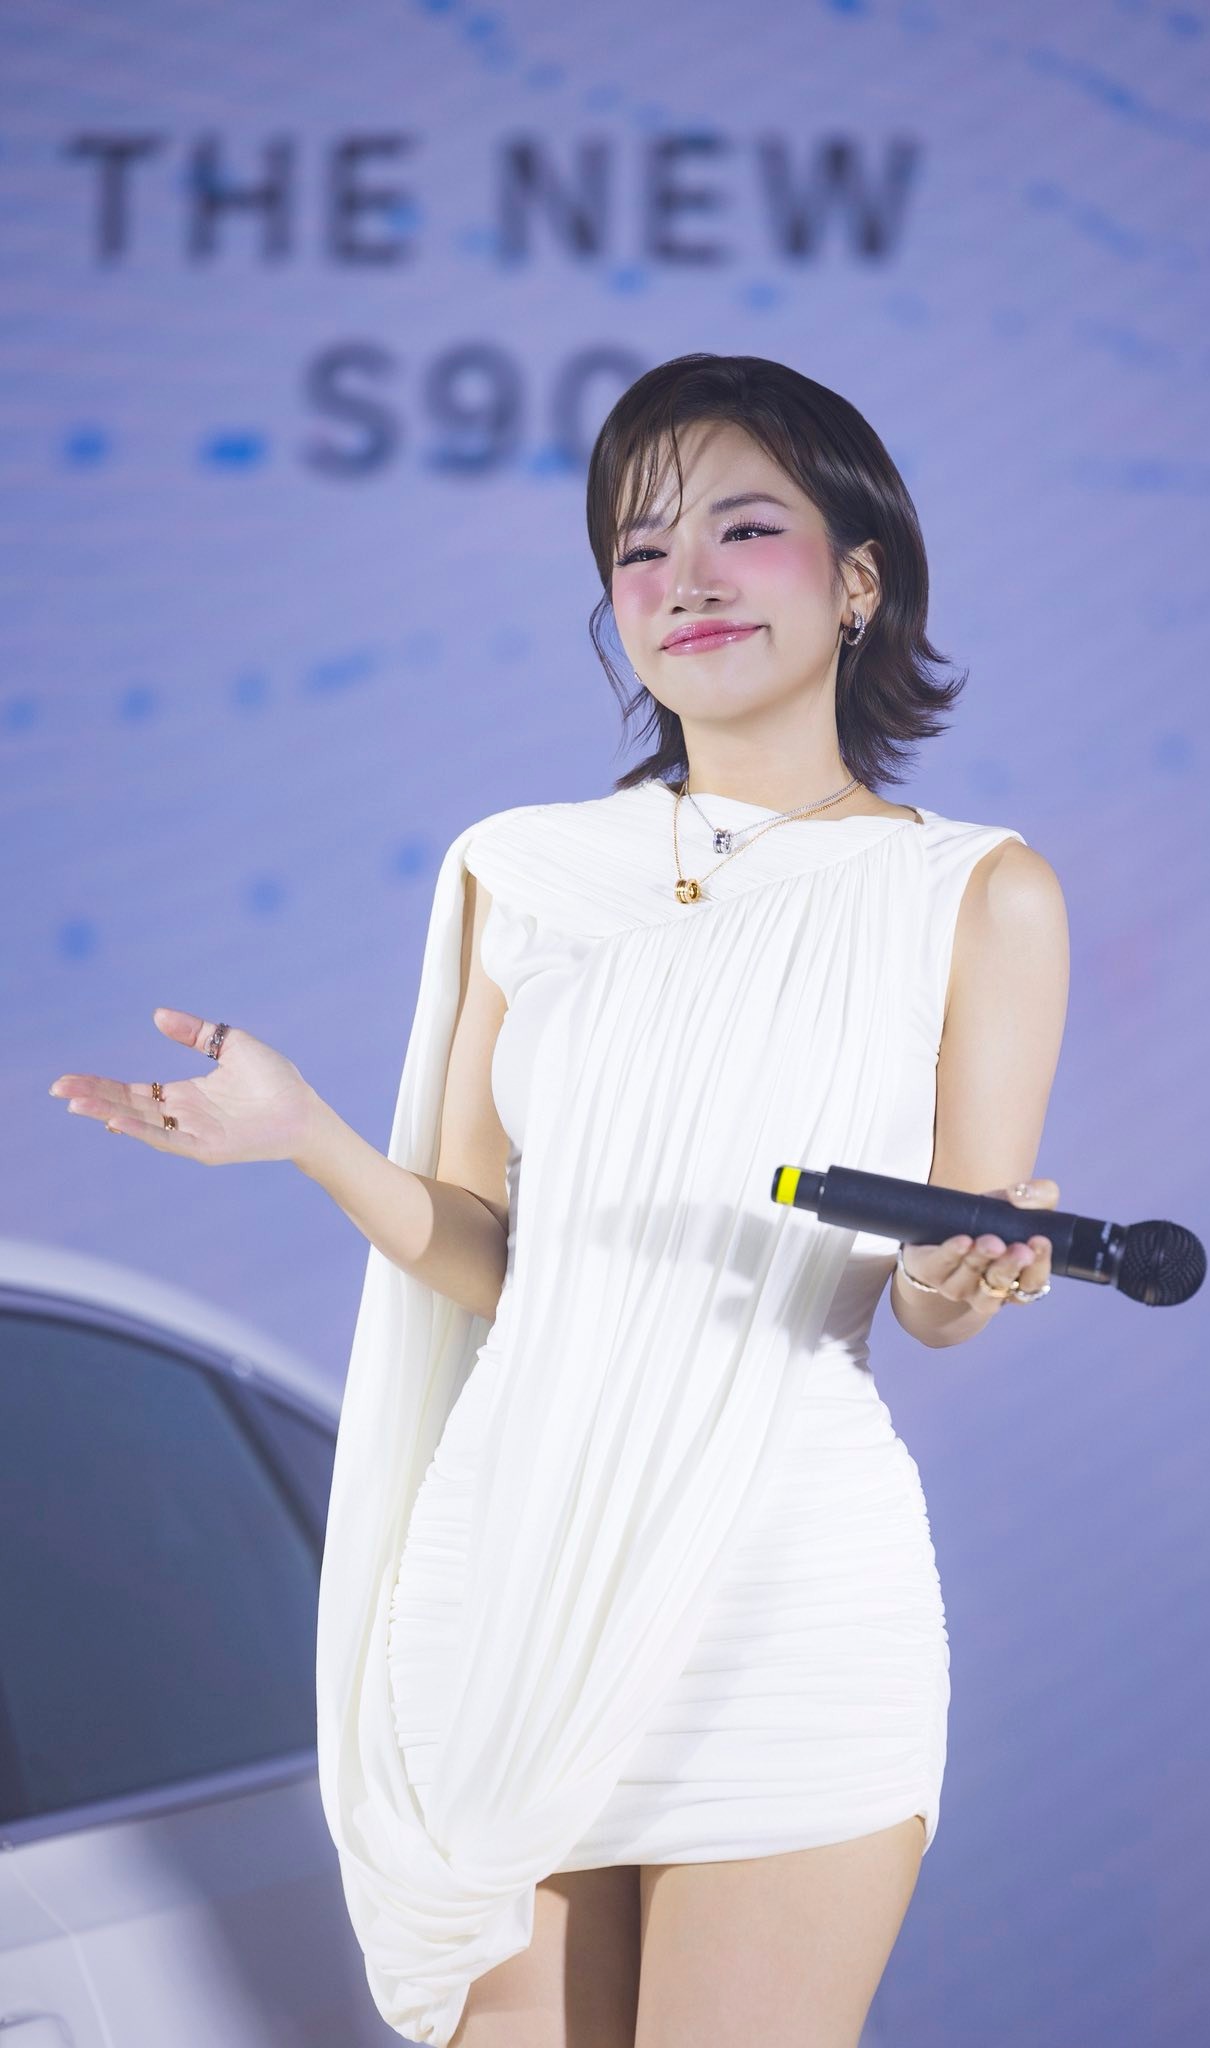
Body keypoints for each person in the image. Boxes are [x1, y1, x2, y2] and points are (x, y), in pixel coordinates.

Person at [48, 352, 1070, 2048]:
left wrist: (965, 1276)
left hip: (778, 1571)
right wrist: (307, 1135)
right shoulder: (520, 869)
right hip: (507, 1570)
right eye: (641, 549)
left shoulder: (975, 891)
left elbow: (933, 1283)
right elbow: (491, 1256)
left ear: (859, 578)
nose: (688, 579)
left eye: (743, 528)